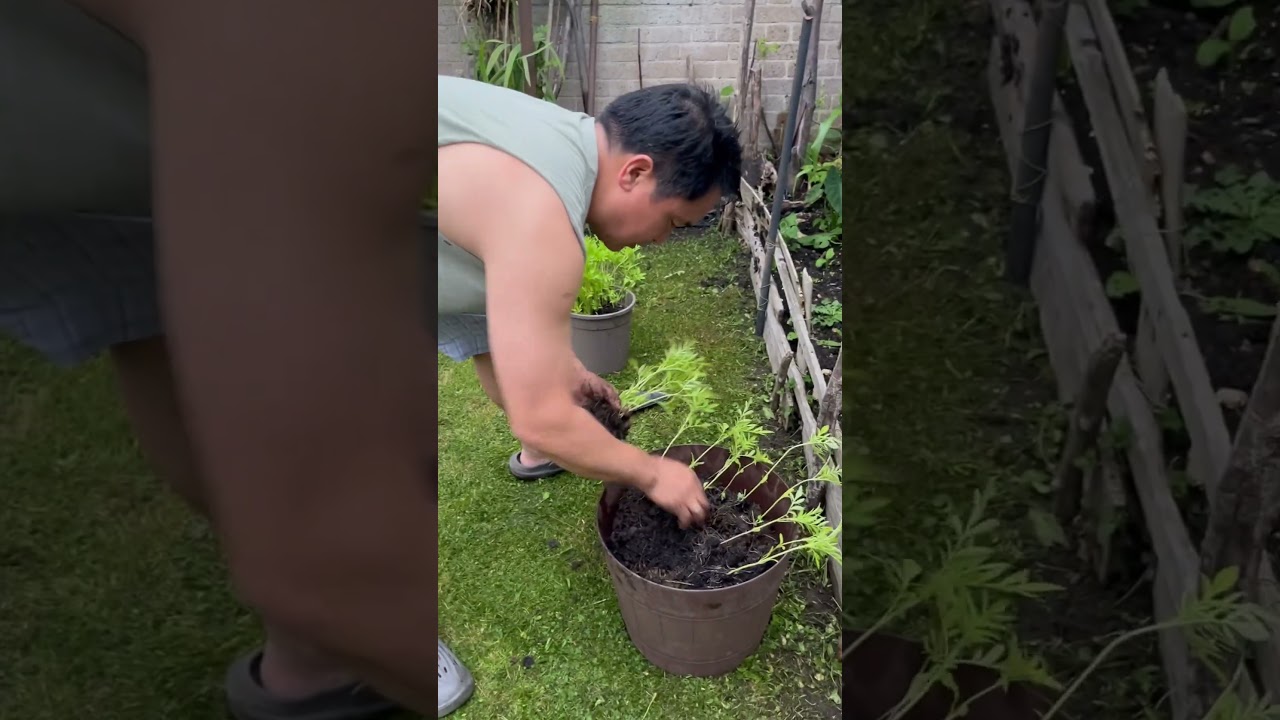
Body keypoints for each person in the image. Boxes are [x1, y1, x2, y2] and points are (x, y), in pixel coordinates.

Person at [0, 2, 742, 719]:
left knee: (176, 358)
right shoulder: (543, 212)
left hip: (158, 166)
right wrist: (652, 472)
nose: (662, 242)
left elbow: (487, 307)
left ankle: (312, 657)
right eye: (675, 224)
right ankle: (376, 639)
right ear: (636, 172)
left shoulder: (546, 137)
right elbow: (540, 420)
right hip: (235, 217)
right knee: (346, 457)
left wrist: (560, 373)